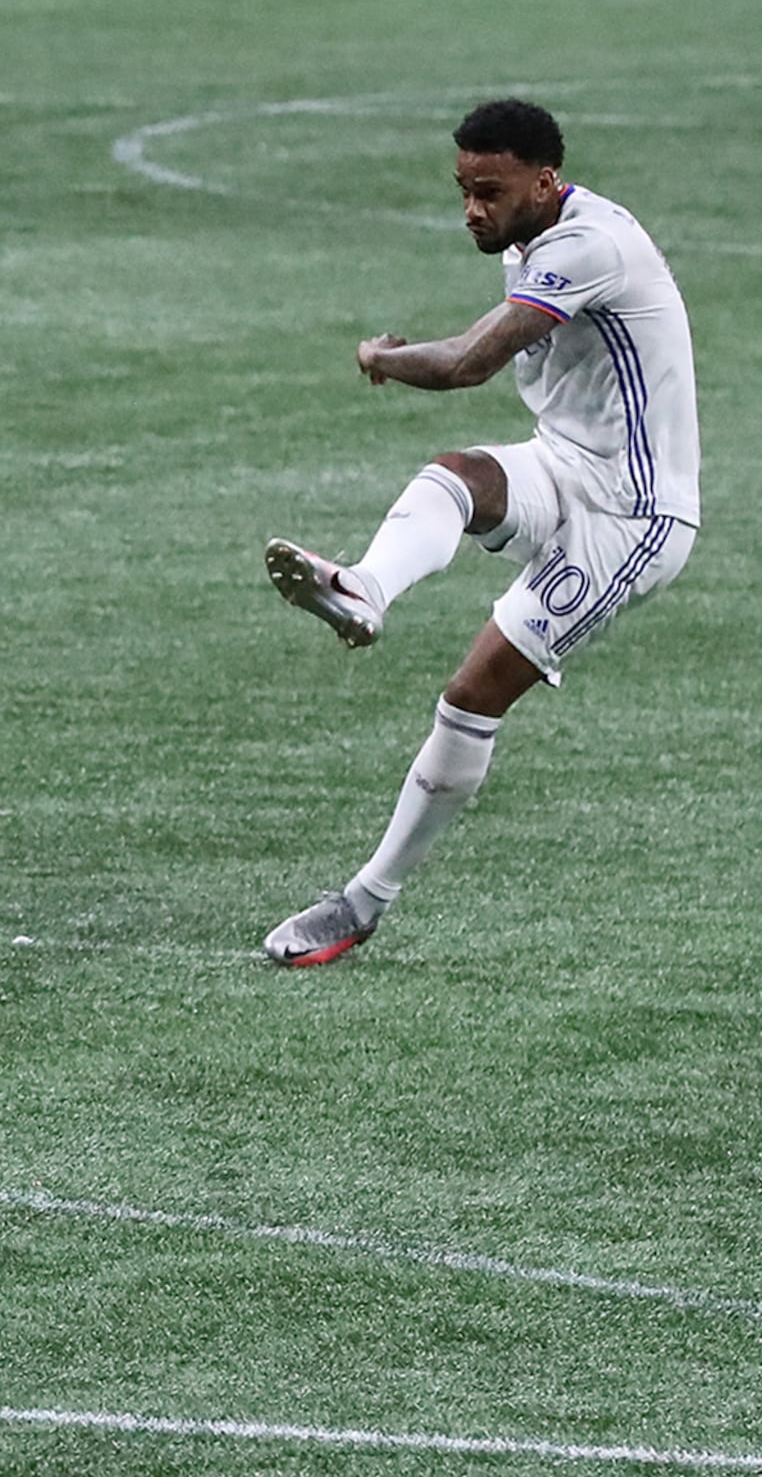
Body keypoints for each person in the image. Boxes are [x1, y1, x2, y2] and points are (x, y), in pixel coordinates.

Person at [256, 99, 701, 965]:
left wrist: (380, 357)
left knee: (469, 699)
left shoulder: (586, 247)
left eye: (488, 192)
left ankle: (361, 903)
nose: (472, 211)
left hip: (634, 519)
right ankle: (363, 589)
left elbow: (470, 362)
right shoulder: (536, 232)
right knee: (455, 476)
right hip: (567, 464)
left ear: (545, 181)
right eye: (462, 191)